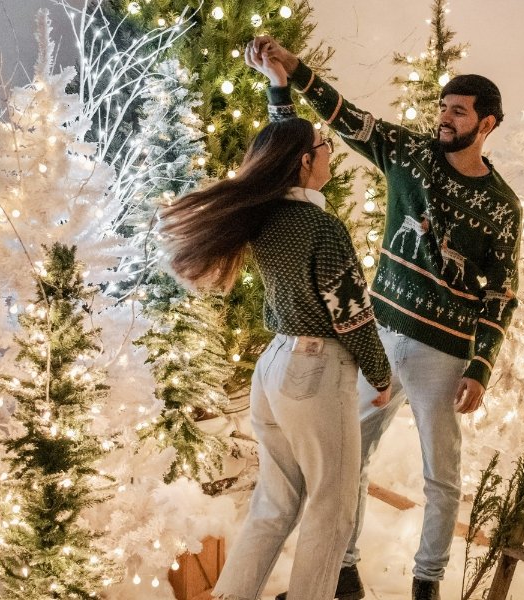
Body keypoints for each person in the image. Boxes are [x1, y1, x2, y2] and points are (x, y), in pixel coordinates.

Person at [247, 37, 522, 600]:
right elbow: (347, 118)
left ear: (487, 124)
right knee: (351, 457)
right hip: (378, 335)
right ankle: (344, 572)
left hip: (443, 353)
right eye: (443, 107)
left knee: (441, 475)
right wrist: (292, 71)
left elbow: (502, 292)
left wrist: (481, 365)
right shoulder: (410, 153)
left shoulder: (502, 206)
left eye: (458, 112)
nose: (444, 118)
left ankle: (427, 582)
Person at [160, 117, 392, 600]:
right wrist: (380, 372)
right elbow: (351, 313)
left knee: (273, 505)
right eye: (324, 147)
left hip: (273, 368)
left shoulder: (265, 218)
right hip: (316, 370)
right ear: (305, 161)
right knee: (332, 510)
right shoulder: (321, 227)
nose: (330, 154)